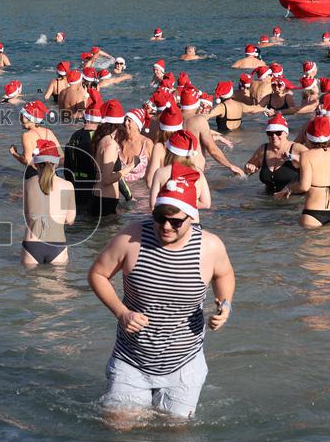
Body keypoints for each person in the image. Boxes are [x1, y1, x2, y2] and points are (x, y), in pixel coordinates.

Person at [87, 173, 235, 421]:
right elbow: (97, 274)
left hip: (184, 363)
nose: (166, 226)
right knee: (118, 430)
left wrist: (226, 305)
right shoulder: (131, 238)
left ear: (191, 217)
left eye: (175, 222)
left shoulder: (210, 247)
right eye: (159, 218)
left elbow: (225, 274)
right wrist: (121, 312)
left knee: (175, 438)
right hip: (131, 359)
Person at [22, 141, 75, 266]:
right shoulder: (67, 185)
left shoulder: (28, 183)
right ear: (56, 163)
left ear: (36, 163)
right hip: (57, 245)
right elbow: (70, 220)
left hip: (31, 245)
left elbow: (27, 215)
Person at [293, 117, 330, 228]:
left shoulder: (306, 156)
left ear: (307, 137)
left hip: (312, 214)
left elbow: (304, 186)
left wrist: (289, 188)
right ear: (329, 138)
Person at [147, 131, 211, 220]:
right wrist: (185, 203)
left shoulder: (161, 172)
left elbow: (153, 205)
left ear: (169, 151)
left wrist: (174, 204)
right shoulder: (198, 173)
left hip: (166, 224)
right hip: (192, 226)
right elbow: (206, 204)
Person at [90, 100, 136, 217]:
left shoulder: (102, 139)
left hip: (99, 197)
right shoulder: (110, 144)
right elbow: (107, 179)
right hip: (105, 200)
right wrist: (131, 166)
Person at [244, 114, 306, 196]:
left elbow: (316, 164)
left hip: (293, 200)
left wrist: (295, 158)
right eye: (270, 133)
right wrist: (249, 169)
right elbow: (247, 168)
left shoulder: (296, 148)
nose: (274, 136)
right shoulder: (263, 149)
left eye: (278, 133)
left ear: (286, 133)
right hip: (268, 199)